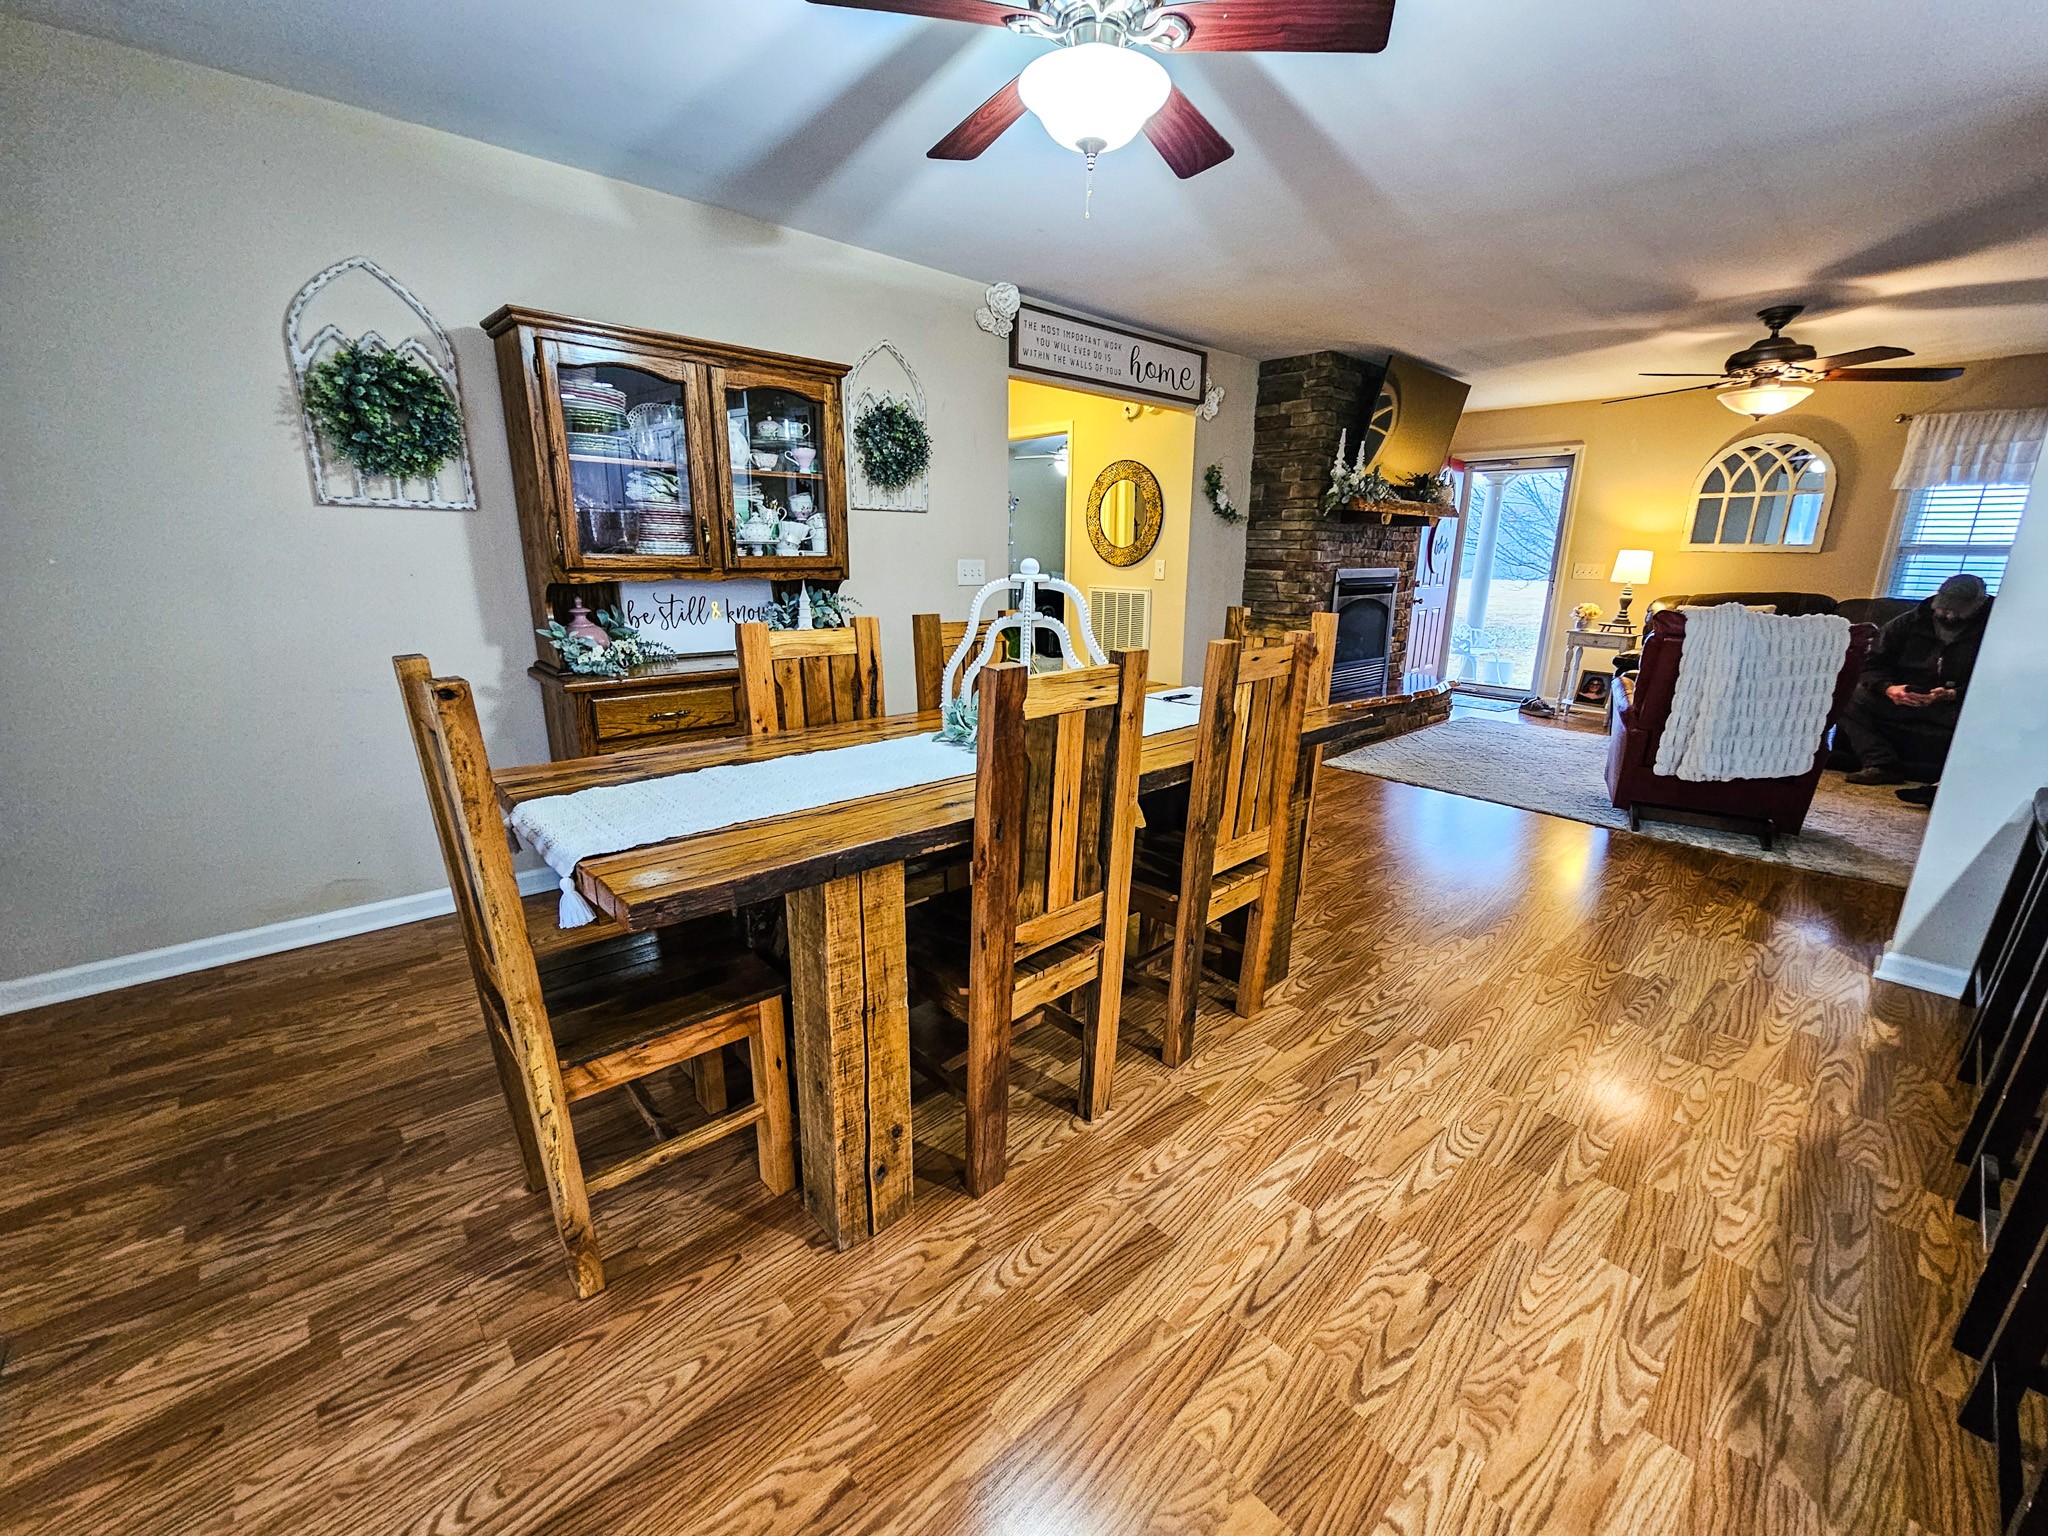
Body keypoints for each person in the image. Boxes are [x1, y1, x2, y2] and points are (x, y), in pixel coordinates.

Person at [1837, 574, 1993, 788]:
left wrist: (1954, 693)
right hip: (1904, 698)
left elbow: (1998, 679)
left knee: (1993, 718)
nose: (1949, 614)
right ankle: (1881, 764)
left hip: (1956, 706)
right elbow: (1870, 663)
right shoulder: (1907, 622)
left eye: (1957, 610)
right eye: (1945, 608)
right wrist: (1889, 688)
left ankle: (1950, 783)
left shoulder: (1995, 629)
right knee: (1848, 697)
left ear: (1979, 603)